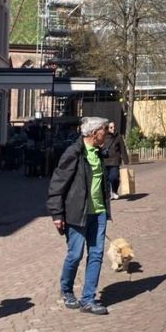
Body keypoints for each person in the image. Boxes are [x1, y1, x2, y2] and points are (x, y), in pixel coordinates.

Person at [49, 117, 112, 315]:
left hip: (98, 213)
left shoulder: (99, 153)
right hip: (77, 213)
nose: (107, 133)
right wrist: (57, 213)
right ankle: (67, 289)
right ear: (94, 133)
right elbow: (58, 183)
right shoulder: (74, 153)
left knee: (96, 254)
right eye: (104, 130)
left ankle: (88, 299)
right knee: (75, 254)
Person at [102, 122, 131, 199]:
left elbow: (122, 148)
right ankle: (108, 194)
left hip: (115, 161)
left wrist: (126, 160)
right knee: (106, 179)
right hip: (105, 161)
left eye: (114, 127)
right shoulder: (103, 136)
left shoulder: (118, 137)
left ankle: (114, 191)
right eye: (111, 127)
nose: (113, 128)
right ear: (107, 128)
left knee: (114, 177)